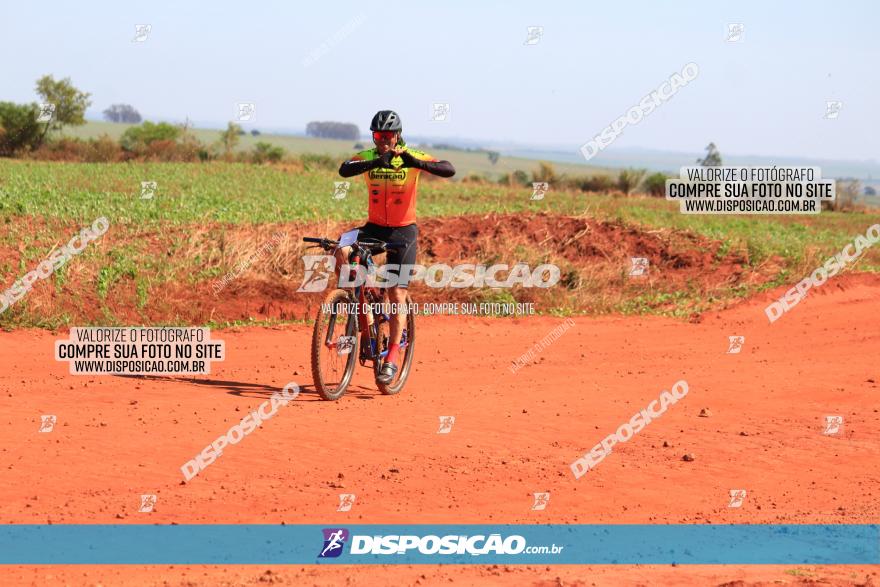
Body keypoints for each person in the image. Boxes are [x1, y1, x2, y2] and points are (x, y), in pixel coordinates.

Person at [337, 110, 455, 384]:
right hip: (374, 226)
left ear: (397, 135)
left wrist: (414, 162)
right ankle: (362, 314)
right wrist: (379, 161)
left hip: (404, 231)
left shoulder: (409, 156)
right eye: (378, 135)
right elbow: (344, 169)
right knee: (341, 250)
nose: (383, 140)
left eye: (388, 135)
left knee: (396, 293)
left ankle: (391, 355)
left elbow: (449, 168)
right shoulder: (369, 157)